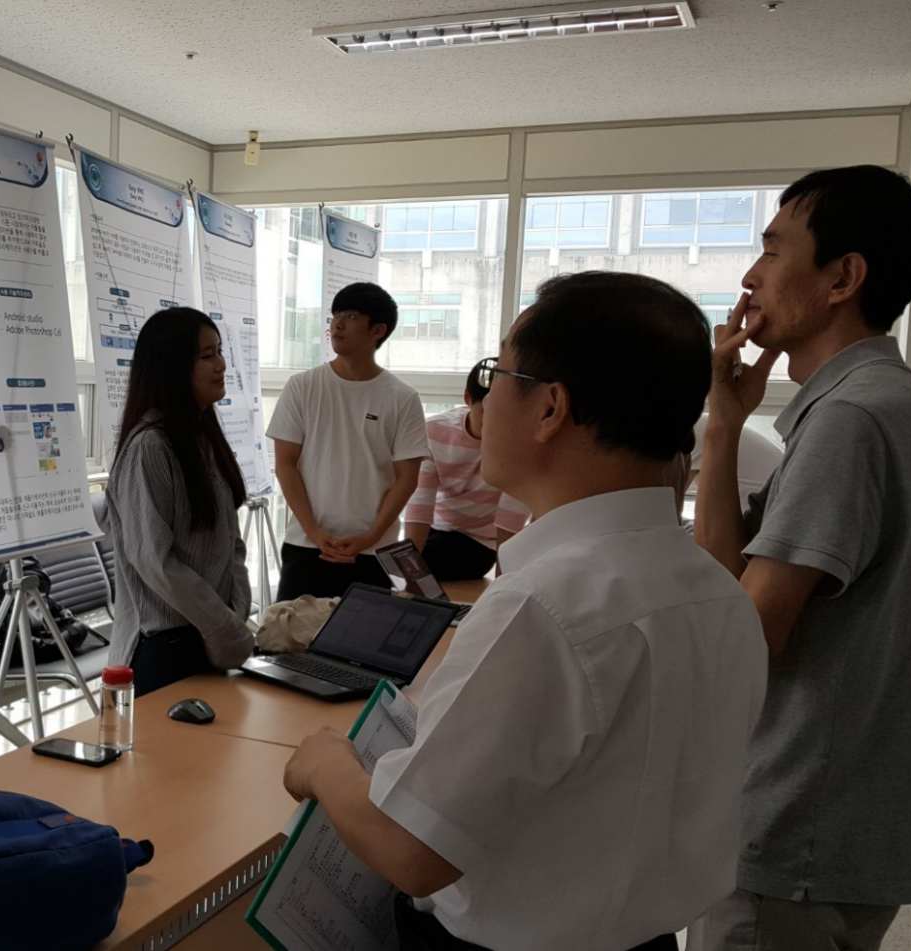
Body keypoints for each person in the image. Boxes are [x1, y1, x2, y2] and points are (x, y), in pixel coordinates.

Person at [283, 271, 768, 951]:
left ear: (550, 408)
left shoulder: (542, 608)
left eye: (498, 373)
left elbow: (412, 850)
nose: (483, 400)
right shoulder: (718, 592)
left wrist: (324, 764)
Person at [690, 165, 911, 951]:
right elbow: (734, 584)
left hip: (795, 826)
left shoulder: (850, 418)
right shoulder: (884, 399)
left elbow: (746, 631)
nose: (750, 275)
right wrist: (723, 425)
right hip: (836, 825)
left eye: (773, 250)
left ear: (843, 278)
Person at [101, 308, 253, 697]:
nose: (221, 365)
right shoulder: (150, 446)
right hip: (165, 648)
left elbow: (231, 544)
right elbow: (155, 561)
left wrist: (234, 617)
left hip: (211, 639)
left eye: (220, 352)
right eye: (206, 356)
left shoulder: (204, 440)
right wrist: (224, 626)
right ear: (172, 366)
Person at [268, 282, 428, 601]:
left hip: (373, 552)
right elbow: (285, 465)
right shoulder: (302, 386)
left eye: (351, 316)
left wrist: (371, 535)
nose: (337, 323)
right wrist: (314, 531)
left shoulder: (403, 397)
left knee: (363, 635)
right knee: (289, 633)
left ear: (378, 330)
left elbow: (407, 479)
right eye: (336, 315)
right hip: (306, 545)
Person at [402, 361, 529, 579]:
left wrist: (501, 583)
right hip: (437, 528)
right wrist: (406, 573)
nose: (496, 423)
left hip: (478, 541)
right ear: (468, 399)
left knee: (425, 561)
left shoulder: (520, 445)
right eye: (487, 412)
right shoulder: (434, 432)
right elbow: (419, 506)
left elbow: (510, 521)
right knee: (395, 561)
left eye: (507, 414)